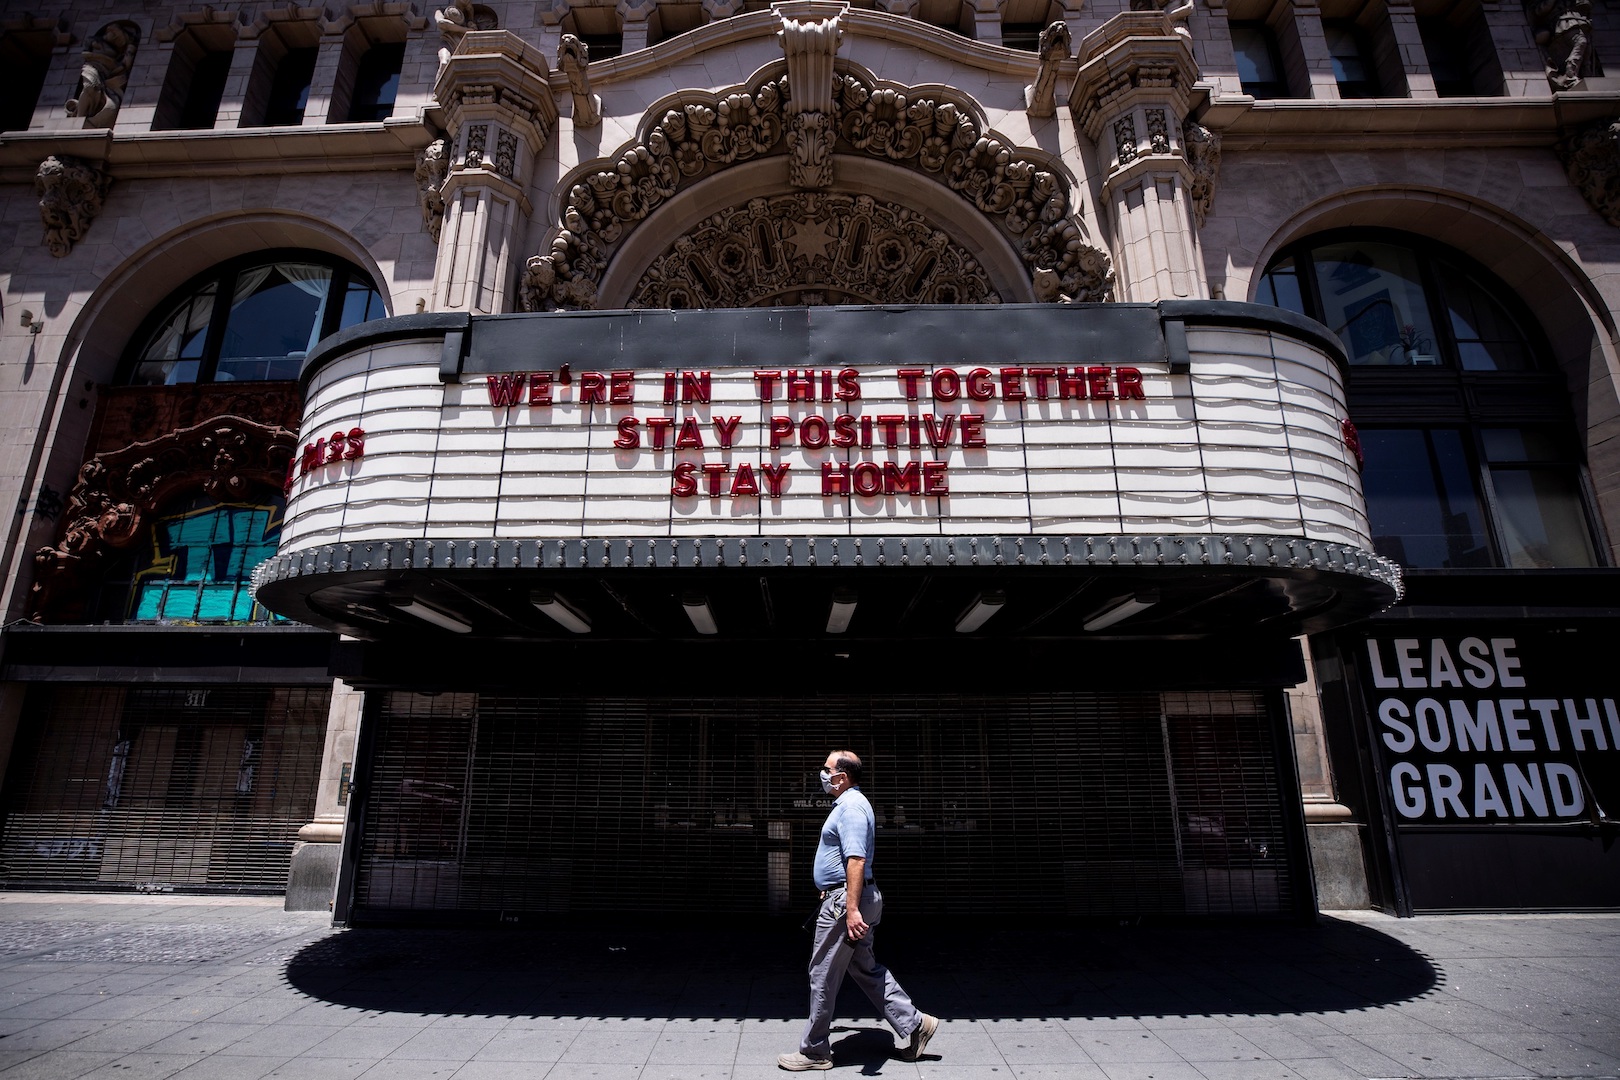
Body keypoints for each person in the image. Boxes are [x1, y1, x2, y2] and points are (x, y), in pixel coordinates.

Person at [778, 750, 939, 1071]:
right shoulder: (852, 804)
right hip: (850, 897)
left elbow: (856, 859)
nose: (821, 775)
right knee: (864, 969)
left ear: (841, 776)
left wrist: (850, 909)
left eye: (826, 769)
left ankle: (814, 1052)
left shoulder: (851, 808)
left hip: (844, 903)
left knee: (822, 973)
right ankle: (916, 1023)